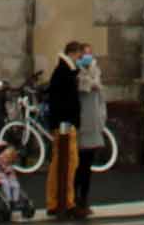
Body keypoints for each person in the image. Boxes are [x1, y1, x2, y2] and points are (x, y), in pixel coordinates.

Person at [44, 41, 83, 217]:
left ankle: (57, 201)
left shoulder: (64, 71)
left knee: (61, 162)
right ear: (73, 54)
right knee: (68, 163)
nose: (81, 59)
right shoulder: (63, 72)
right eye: (80, 56)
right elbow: (65, 101)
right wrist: (69, 123)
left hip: (63, 124)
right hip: (65, 126)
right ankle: (65, 202)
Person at [72, 45, 103, 219]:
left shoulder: (96, 71)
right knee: (77, 166)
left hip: (93, 123)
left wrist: (101, 120)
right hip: (80, 124)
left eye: (90, 53)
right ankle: (74, 199)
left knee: (87, 167)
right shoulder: (75, 72)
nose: (88, 57)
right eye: (85, 53)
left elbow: (100, 96)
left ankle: (84, 199)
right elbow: (82, 87)